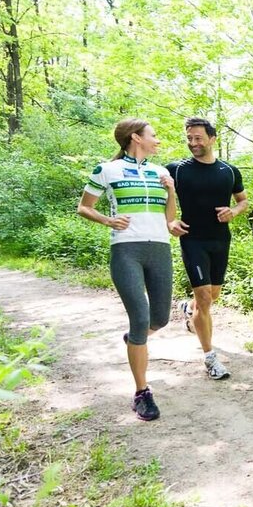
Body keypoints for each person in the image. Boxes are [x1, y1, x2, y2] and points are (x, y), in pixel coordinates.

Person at [77, 118, 176, 421]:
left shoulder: (161, 172)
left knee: (160, 318)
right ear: (136, 137)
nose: (157, 140)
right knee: (140, 317)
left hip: (159, 248)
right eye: (153, 135)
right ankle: (142, 393)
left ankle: (135, 339)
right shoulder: (107, 170)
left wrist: (171, 190)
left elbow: (170, 218)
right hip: (126, 250)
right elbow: (85, 206)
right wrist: (108, 221)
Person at [165, 117, 248, 380]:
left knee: (212, 296)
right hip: (192, 239)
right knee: (203, 298)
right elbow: (157, 200)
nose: (193, 143)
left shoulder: (229, 171)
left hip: (220, 239)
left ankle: (189, 312)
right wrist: (169, 221)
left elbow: (243, 201)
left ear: (212, 139)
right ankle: (210, 358)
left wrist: (233, 211)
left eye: (198, 138)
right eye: (189, 138)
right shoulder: (175, 170)